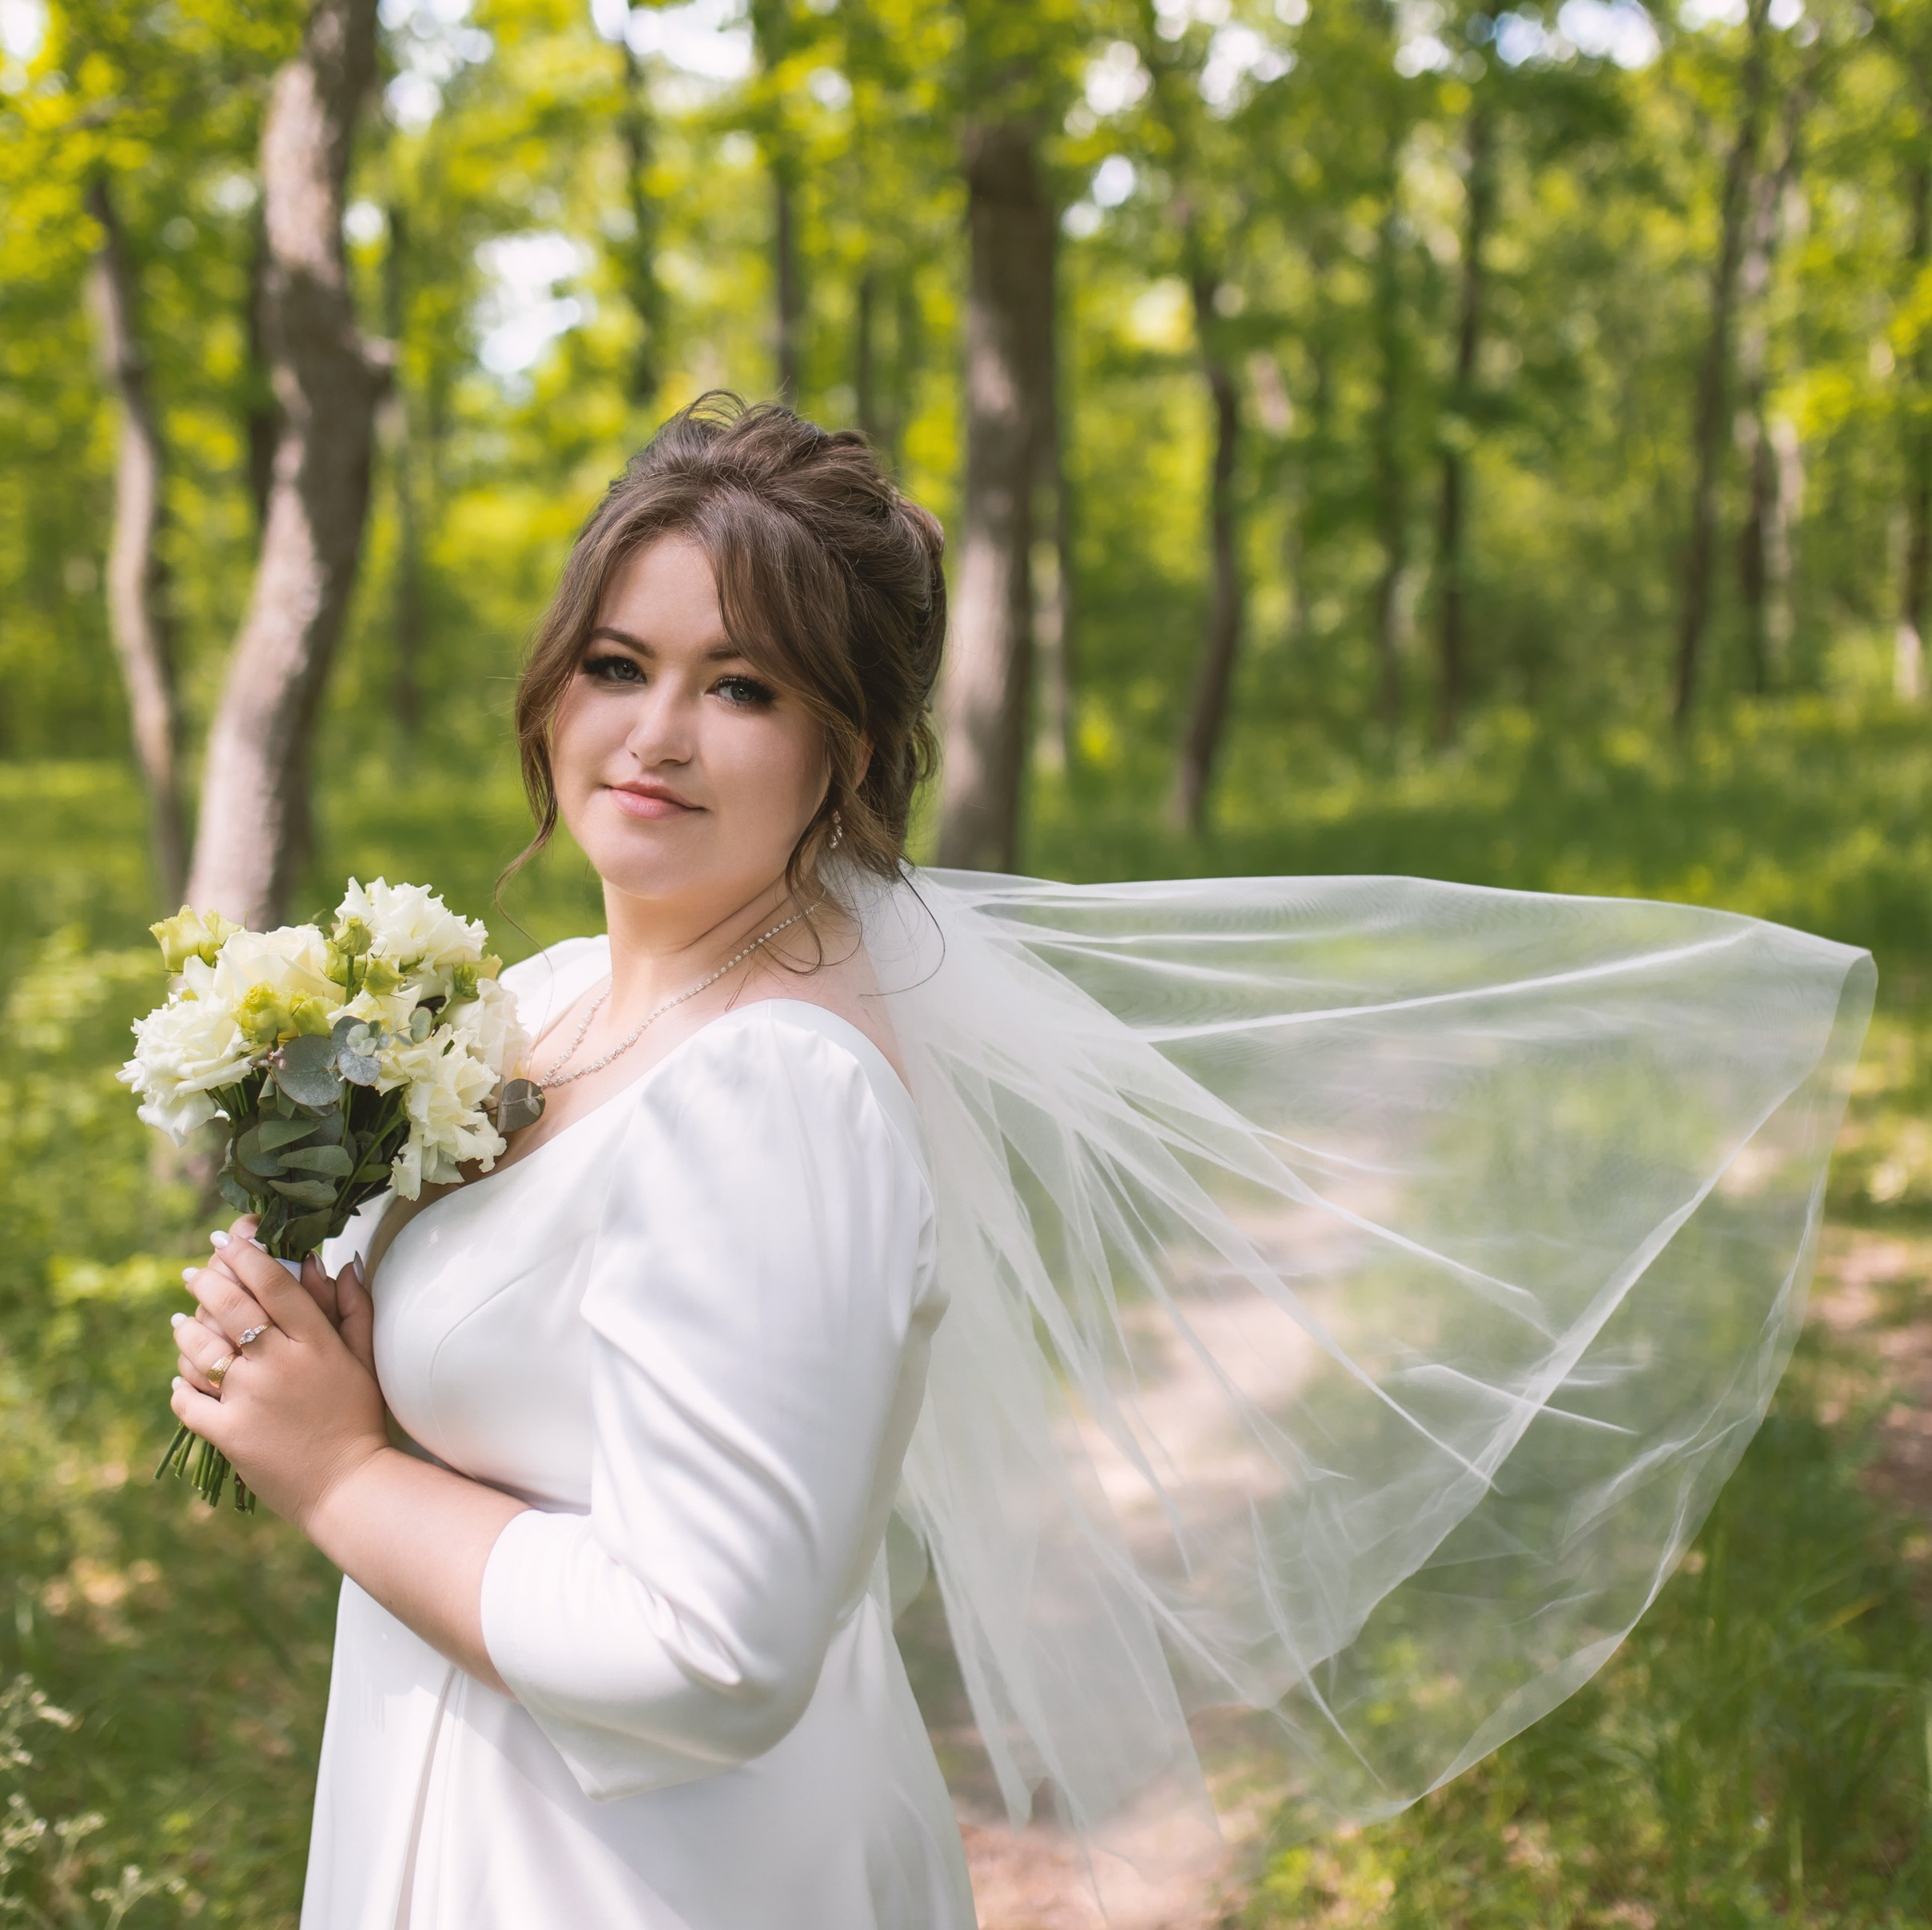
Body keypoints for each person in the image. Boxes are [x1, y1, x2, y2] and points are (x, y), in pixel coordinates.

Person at [167, 397, 1874, 1930]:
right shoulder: (538, 1002)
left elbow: (706, 1652)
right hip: (452, 1789)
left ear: (844, 745)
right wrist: (311, 1322)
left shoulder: (774, 1096)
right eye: (619, 662)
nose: (655, 733)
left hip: (640, 1870)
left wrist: (335, 1473)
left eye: (740, 686)